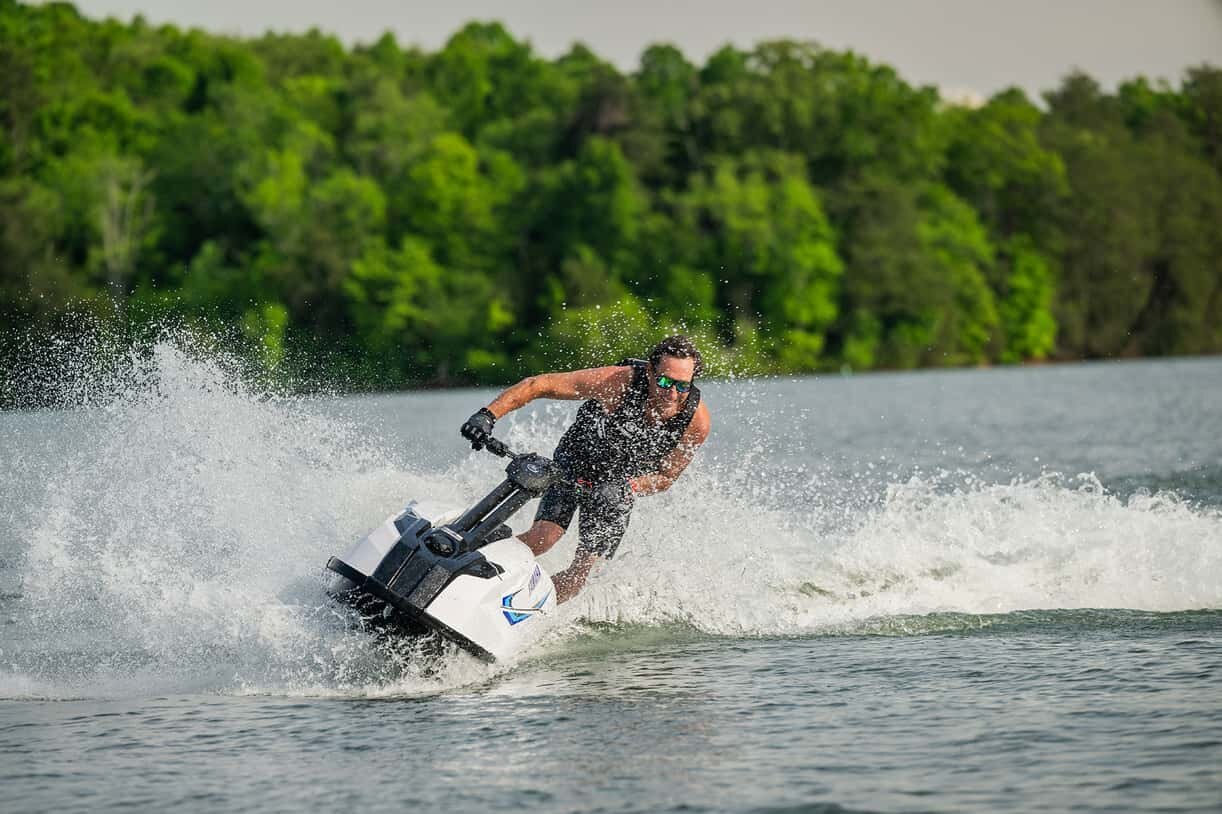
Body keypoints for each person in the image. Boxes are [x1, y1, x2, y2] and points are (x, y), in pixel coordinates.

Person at [460, 335, 712, 603]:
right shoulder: (618, 382)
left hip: (617, 487)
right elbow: (538, 385)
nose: (672, 394)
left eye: (682, 386)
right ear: (650, 371)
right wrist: (487, 415)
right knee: (543, 538)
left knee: (582, 576)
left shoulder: (696, 423)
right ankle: (468, 561)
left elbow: (666, 477)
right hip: (576, 460)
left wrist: (630, 486)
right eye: (664, 382)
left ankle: (522, 608)